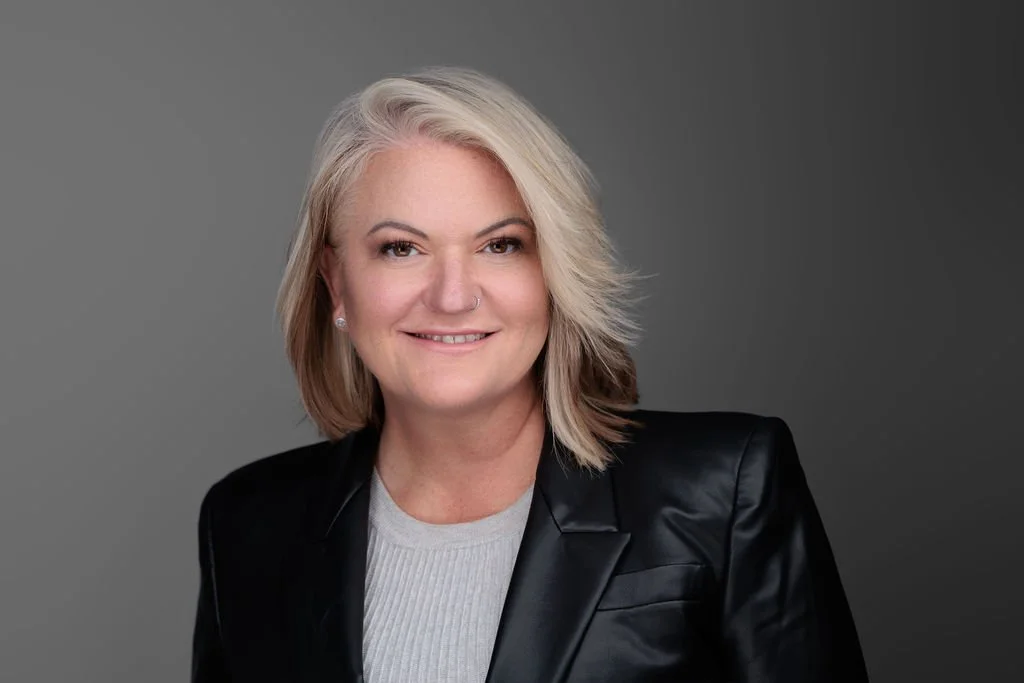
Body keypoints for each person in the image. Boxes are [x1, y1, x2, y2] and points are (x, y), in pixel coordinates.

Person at [191, 66, 869, 683]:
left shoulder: (724, 491)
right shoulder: (247, 525)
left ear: (555, 272)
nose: (453, 295)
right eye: (401, 248)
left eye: (500, 245)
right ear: (336, 285)